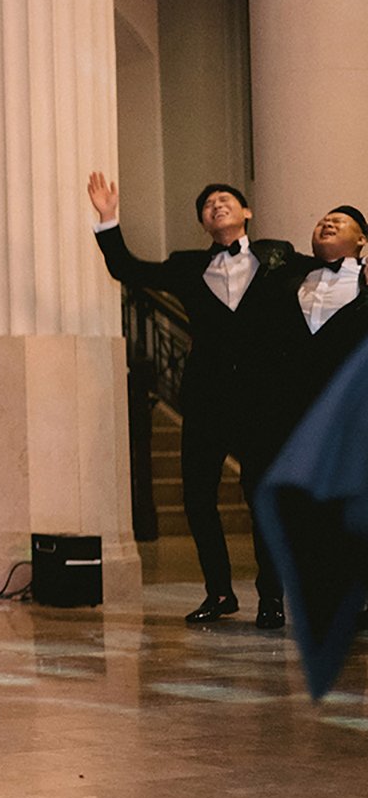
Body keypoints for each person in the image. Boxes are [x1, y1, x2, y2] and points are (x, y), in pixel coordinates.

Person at [87, 173, 294, 626]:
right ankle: (219, 594)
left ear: (246, 213)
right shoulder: (186, 265)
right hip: (204, 398)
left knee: (262, 499)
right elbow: (130, 270)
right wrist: (107, 219)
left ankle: (271, 598)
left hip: (262, 400)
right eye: (208, 204)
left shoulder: (278, 255)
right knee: (198, 497)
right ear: (203, 223)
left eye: (225, 199)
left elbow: (322, 280)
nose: (216, 205)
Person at [241, 205, 368, 630]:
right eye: (321, 221)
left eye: (340, 221)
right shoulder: (285, 281)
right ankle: (271, 597)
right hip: (282, 414)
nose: (327, 223)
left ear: (362, 241)